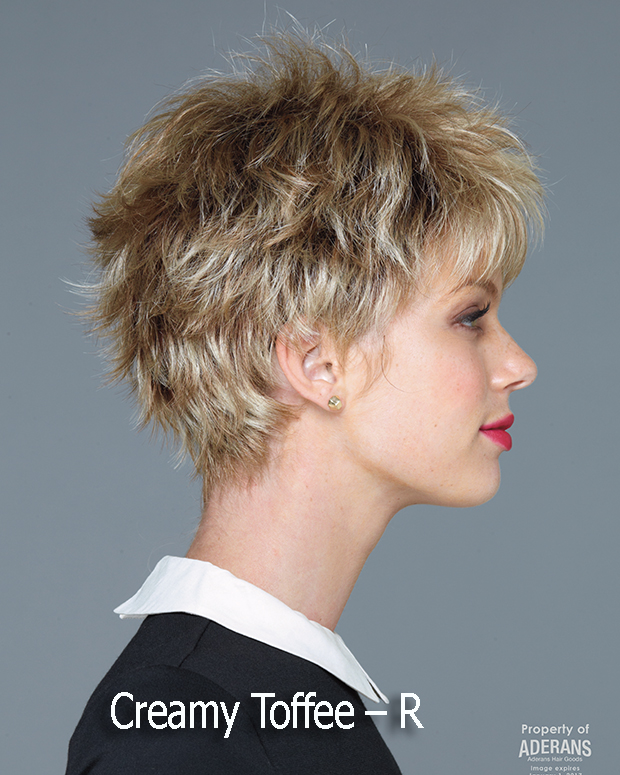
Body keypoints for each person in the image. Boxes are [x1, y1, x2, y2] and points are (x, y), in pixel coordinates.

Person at [65, 30, 544, 774]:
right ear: (318, 362)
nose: (519, 366)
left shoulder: (264, 707)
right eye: (470, 317)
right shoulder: (179, 734)